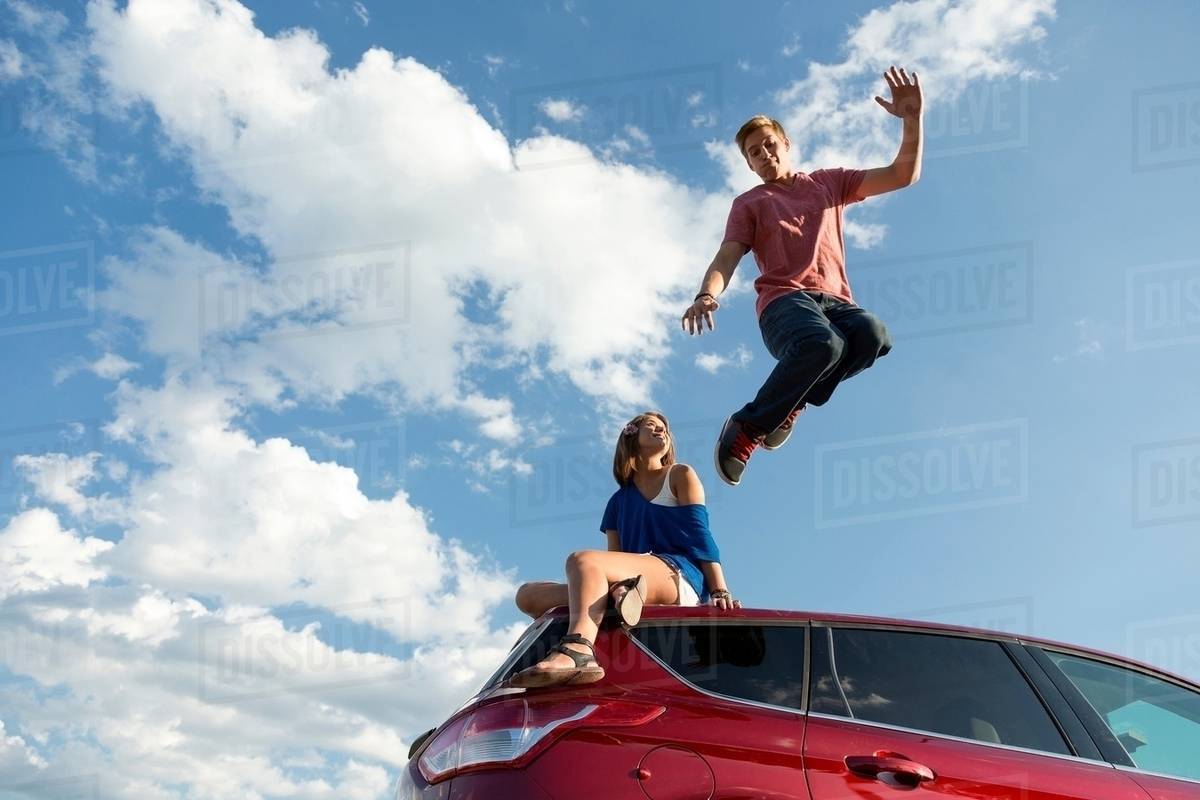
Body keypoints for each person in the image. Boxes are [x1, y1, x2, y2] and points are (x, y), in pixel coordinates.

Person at [683, 66, 924, 486]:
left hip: (837, 303)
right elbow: (728, 255)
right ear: (749, 164)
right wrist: (707, 294)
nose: (764, 155)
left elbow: (901, 175)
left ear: (786, 143)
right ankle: (747, 427)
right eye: (753, 153)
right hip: (784, 304)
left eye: (769, 145)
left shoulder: (829, 183)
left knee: (872, 336)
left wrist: (912, 120)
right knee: (821, 344)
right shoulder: (750, 204)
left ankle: (792, 403)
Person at [511, 411, 740, 688]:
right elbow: (615, 560)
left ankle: (579, 649)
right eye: (652, 427)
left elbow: (700, 534)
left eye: (665, 430)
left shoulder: (680, 474)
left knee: (582, 560)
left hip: (679, 575)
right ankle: (624, 594)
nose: (662, 432)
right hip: (633, 574)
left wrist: (719, 590)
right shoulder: (617, 503)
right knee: (528, 596)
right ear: (630, 435)